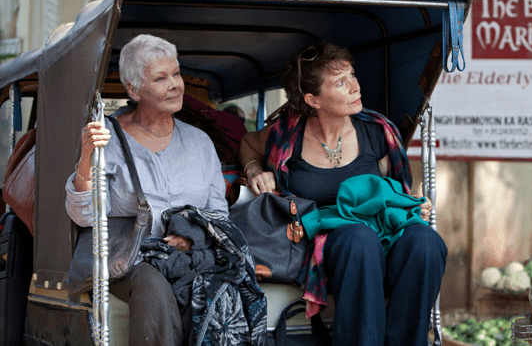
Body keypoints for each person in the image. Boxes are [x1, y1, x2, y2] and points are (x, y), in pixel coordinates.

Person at [239, 41, 446, 346]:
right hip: (322, 241)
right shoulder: (286, 135)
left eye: (352, 75)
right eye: (340, 82)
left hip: (381, 236)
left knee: (425, 241)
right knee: (357, 237)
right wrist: (255, 170)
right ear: (313, 99)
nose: (355, 87)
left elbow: (396, 192)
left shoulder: (377, 132)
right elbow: (247, 143)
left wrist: (413, 206)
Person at [65, 34, 229, 346]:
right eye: (161, 78)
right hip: (128, 257)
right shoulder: (107, 138)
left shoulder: (200, 142)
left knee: (223, 287)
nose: (175, 85)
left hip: (189, 254)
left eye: (176, 74)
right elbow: (83, 217)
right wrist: (86, 160)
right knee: (153, 287)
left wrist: (192, 237)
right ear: (134, 90)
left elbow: (218, 214)